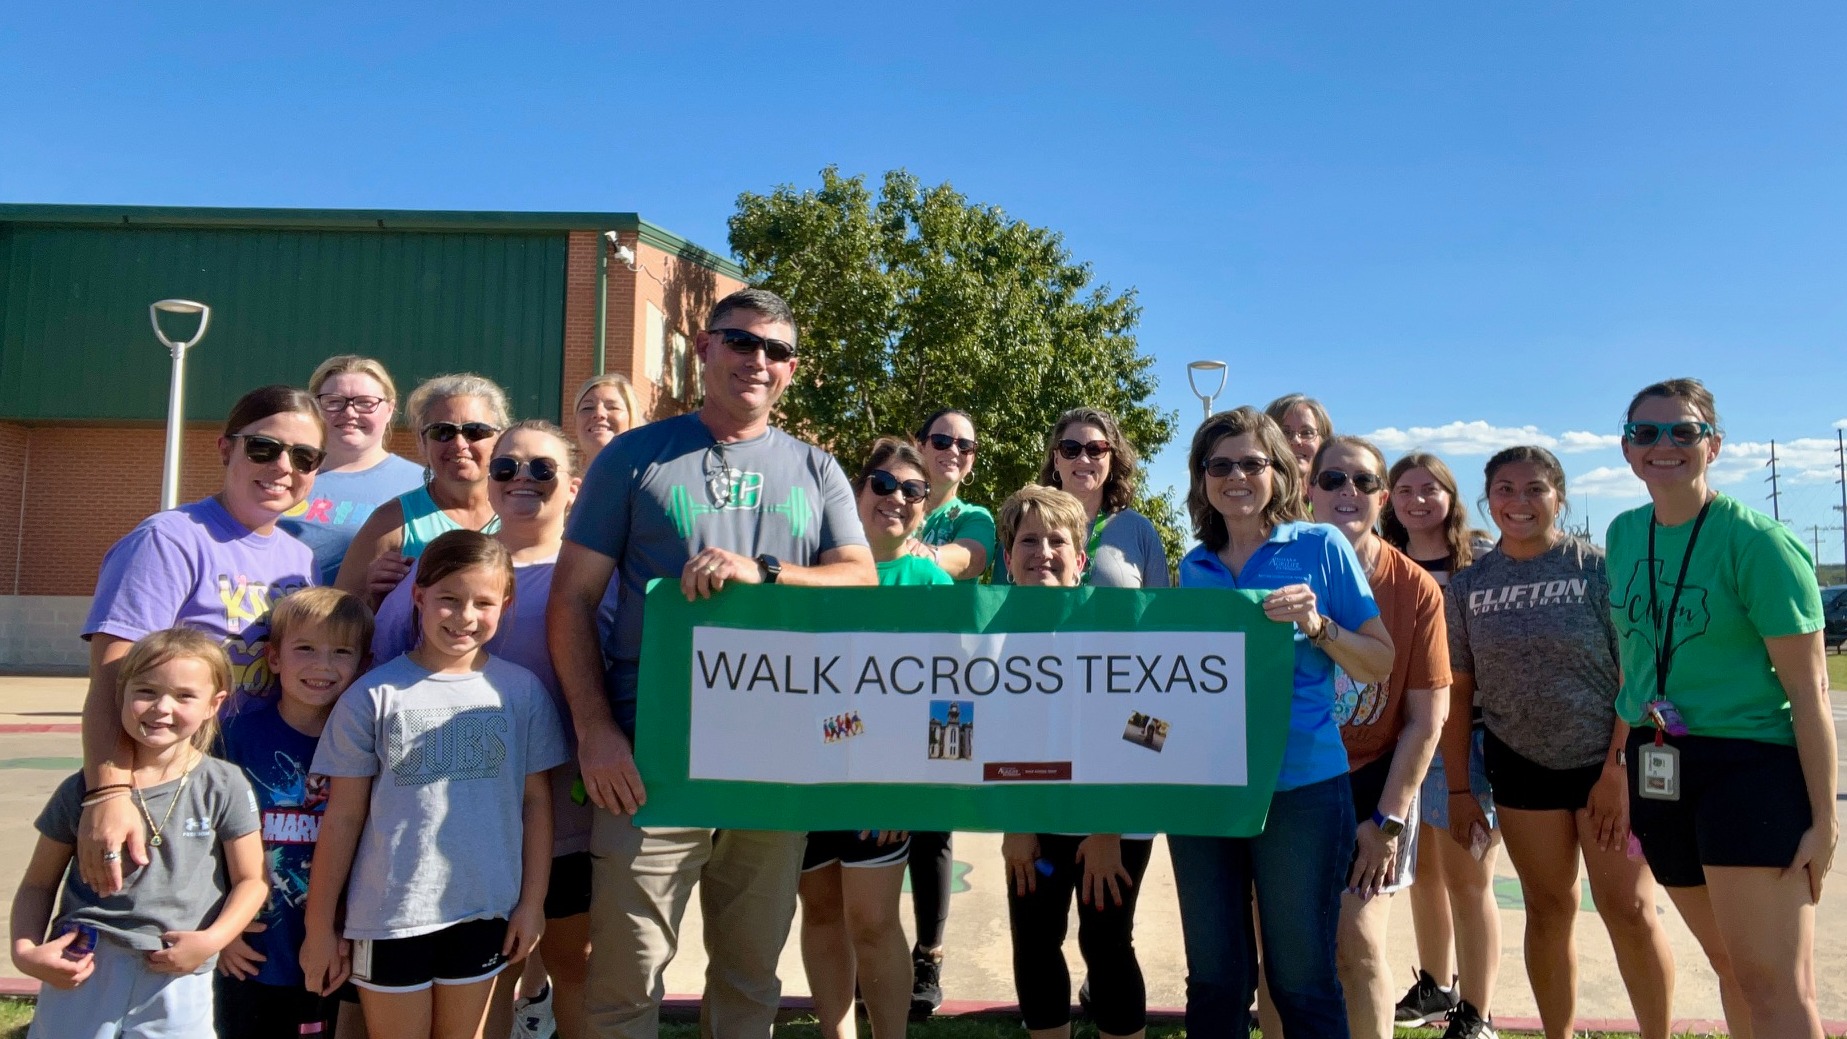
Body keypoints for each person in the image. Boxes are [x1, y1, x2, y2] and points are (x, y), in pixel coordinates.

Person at [548, 287, 876, 1038]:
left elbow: (858, 579)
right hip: (648, 763)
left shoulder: (816, 468)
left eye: (776, 350)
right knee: (623, 985)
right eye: (740, 342)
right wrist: (595, 731)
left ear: (792, 369)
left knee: (748, 981)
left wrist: (764, 570)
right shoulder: (635, 457)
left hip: (770, 764)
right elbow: (570, 602)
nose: (757, 360)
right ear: (703, 349)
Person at [1608, 378, 1835, 1039]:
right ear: (1626, 448)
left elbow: (1809, 690)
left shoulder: (1757, 543)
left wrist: (1824, 821)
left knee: (1773, 984)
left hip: (1748, 767)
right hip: (1658, 763)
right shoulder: (1624, 535)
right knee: (1728, 965)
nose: (1664, 445)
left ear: (1712, 444)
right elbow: (1635, 666)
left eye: (1682, 431)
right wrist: (1617, 767)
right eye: (1646, 432)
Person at [369, 421, 608, 1039]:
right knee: (489, 976)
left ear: (575, 487)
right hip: (463, 821)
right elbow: (386, 666)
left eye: (541, 469)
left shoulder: (601, 578)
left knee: (574, 966)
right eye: (506, 467)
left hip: (569, 813)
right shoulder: (446, 566)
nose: (521, 480)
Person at [1169, 405, 1393, 1039]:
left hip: (1300, 787)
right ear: (1202, 477)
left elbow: (1378, 661)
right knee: (1213, 980)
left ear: (1278, 472)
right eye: (1220, 465)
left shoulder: (1321, 546)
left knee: (1300, 978)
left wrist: (1318, 626)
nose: (1236, 476)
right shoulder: (1194, 567)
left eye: (1251, 463)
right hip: (1206, 792)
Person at [1445, 446, 1674, 1039]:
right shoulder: (1469, 586)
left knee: (1629, 910)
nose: (1519, 502)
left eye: (1535, 489)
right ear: (1486, 499)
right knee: (1549, 911)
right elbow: (1460, 694)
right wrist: (1460, 787)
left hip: (1610, 764)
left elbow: (1637, 677)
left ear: (1559, 497)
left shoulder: (1599, 570)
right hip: (1521, 769)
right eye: (1505, 489)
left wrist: (1617, 770)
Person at [302, 531, 568, 1039]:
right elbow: (344, 817)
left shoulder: (520, 692)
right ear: (419, 596)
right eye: (448, 598)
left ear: (504, 605)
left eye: (483, 602)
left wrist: (532, 904)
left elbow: (536, 804)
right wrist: (320, 927)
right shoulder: (373, 696)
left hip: (485, 910)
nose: (464, 616)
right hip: (389, 915)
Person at [77, 385, 323, 898]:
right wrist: (108, 793)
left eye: (304, 456)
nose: (283, 466)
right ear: (225, 448)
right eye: (264, 448)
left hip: (259, 786)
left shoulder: (301, 561)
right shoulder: (170, 540)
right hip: (171, 785)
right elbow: (111, 679)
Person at [12, 628, 267, 1039]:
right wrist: (25, 951)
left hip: (176, 970)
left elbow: (252, 880)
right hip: (83, 965)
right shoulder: (85, 790)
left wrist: (212, 941)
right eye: (146, 691)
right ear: (122, 695)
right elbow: (38, 883)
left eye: (184, 696)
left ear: (213, 705)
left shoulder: (224, 785)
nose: (162, 708)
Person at [799, 438, 946, 1039]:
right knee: (822, 912)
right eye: (883, 485)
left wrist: (904, 784)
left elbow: (949, 696)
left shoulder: (929, 582)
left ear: (925, 507)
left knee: (872, 919)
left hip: (881, 781)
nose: (897, 499)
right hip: (807, 771)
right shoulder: (810, 565)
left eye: (913, 491)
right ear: (856, 494)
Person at [1304, 437, 1450, 1039]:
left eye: (1363, 482)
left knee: (1358, 947)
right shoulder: (1273, 569)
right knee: (1284, 950)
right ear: (1308, 490)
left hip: (1374, 781)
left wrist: (1387, 821)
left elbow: (1426, 717)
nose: (1348, 493)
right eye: (1333, 479)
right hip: (1292, 779)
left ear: (1382, 498)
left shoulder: (1414, 588)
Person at [998, 484, 1154, 1039]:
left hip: (1113, 825)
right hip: (1034, 827)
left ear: (1081, 559)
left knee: (1107, 942)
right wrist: (1015, 823)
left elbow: (1150, 730)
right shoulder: (990, 634)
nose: (1042, 550)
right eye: (1028, 540)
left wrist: (1108, 824)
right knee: (1035, 941)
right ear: (1009, 556)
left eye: (1056, 540)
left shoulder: (1122, 629)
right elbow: (990, 738)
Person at [214, 587, 375, 1039]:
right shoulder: (234, 734)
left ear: (363, 664)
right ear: (275, 657)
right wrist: (218, 928)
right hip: (251, 947)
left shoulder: (370, 739)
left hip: (338, 945)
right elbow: (204, 840)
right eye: (305, 648)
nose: (322, 666)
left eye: (340, 652)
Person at [1381, 451, 1501, 1029]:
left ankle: (1477, 1011)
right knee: (1422, 873)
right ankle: (1436, 985)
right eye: (1404, 489)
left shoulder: (1478, 563)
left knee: (1468, 878)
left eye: (1430, 488)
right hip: (1401, 737)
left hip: (1468, 740)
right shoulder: (1381, 563)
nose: (1417, 499)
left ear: (1451, 496)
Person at [902, 409, 993, 1015]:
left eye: (964, 445)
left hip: (948, 688)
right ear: (920, 445)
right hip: (875, 680)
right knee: (871, 816)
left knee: (931, 824)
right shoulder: (885, 495)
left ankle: (927, 958)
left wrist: (897, 548)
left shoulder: (975, 518)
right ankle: (875, 946)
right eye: (941, 440)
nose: (952, 451)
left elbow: (964, 562)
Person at [335, 373, 509, 609]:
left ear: (501, 439)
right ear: (422, 441)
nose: (459, 443)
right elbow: (339, 619)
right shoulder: (391, 523)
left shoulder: (521, 515)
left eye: (475, 431)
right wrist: (371, 593)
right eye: (442, 431)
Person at [281, 355, 424, 585]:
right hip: (272, 616)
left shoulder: (421, 484)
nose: (349, 412)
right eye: (334, 401)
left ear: (389, 409)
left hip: (369, 618)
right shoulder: (283, 474)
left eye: (365, 402)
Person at [1034, 406, 1170, 589]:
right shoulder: (1026, 525)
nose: (1083, 459)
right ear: (1056, 459)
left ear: (1111, 460)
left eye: (1096, 449)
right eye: (1070, 449)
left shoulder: (1140, 531)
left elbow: (1159, 613)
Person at [572, 373, 646, 466]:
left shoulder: (648, 476)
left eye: (613, 407)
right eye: (588, 407)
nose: (599, 414)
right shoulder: (562, 478)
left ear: (632, 417)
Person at [1264, 393, 1333, 482]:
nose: (1296, 440)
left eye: (1306, 433)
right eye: (1285, 432)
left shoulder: (1342, 494)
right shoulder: (1256, 495)